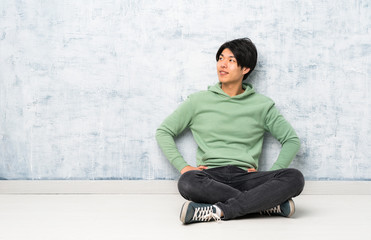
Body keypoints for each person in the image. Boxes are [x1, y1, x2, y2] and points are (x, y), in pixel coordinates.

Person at [156, 38, 305, 224]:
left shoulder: (262, 105)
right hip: (209, 176)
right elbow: (164, 131)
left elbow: (291, 140)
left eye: (231, 60)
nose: (222, 64)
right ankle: (264, 205)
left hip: (246, 176)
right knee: (187, 181)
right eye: (220, 58)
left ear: (245, 69)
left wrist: (271, 177)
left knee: (295, 177)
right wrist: (184, 167)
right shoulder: (198, 101)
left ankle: (219, 211)